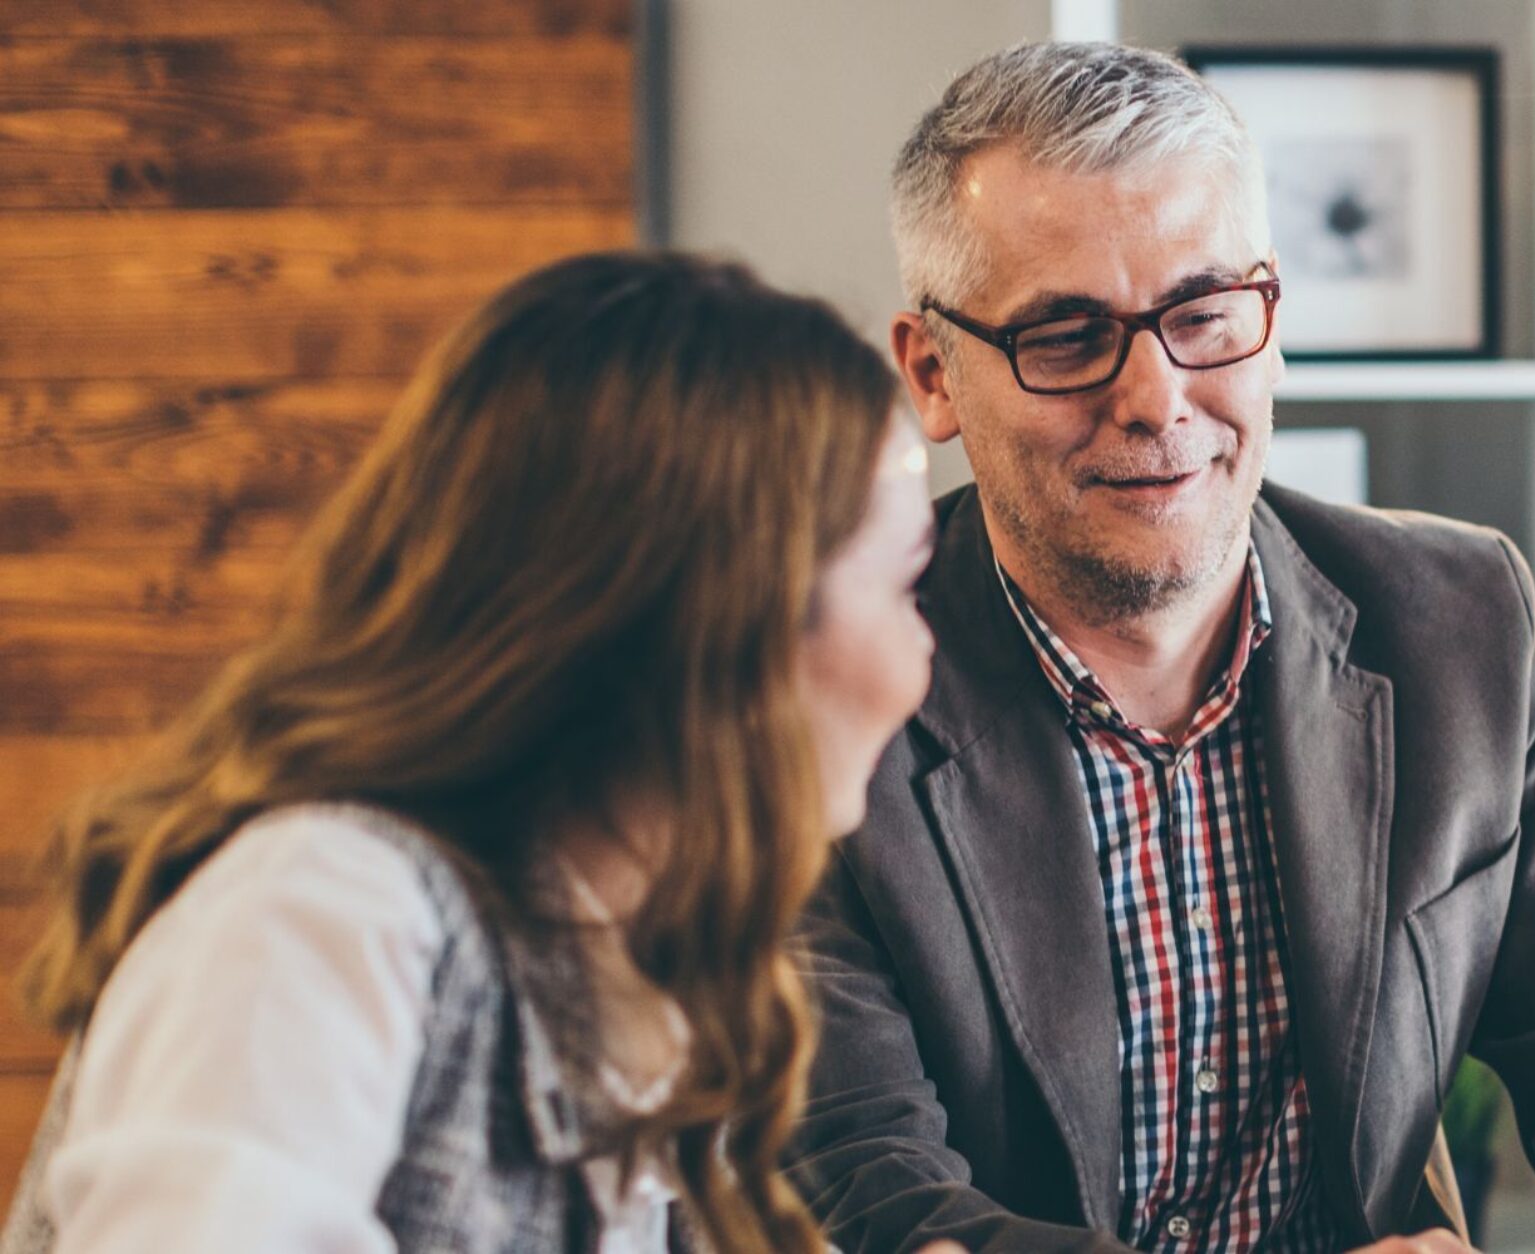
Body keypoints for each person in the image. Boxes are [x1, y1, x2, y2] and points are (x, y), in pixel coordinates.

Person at [789, 42, 1535, 1254]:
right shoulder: (824, 692)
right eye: (1069, 338)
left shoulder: (1455, 617)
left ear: (1271, 317)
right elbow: (861, 1196)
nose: (1158, 397)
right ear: (934, 374)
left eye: (1205, 315)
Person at [1, 251, 935, 1253]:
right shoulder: (323, 912)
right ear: (725, 635)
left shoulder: (626, 968)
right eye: (902, 589)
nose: (923, 650)